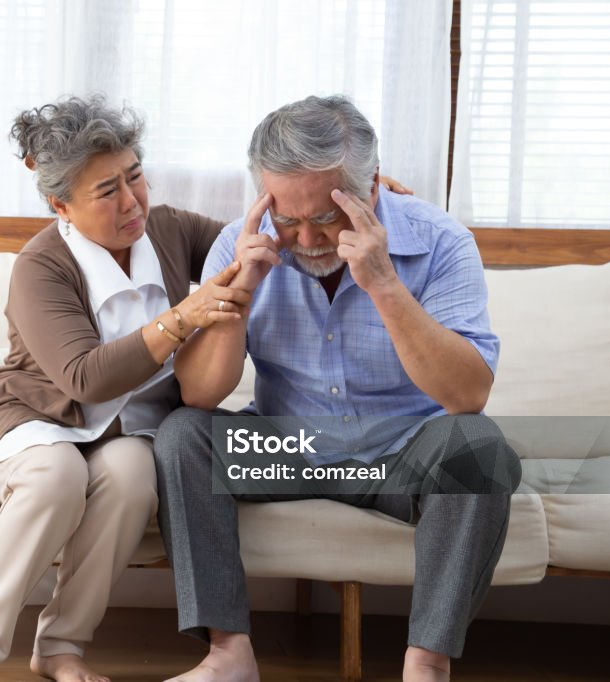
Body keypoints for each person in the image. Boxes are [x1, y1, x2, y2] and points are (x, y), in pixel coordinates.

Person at [154, 95, 522, 682]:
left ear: (370, 188)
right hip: (286, 450)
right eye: (287, 218)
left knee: (479, 447)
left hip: (403, 457)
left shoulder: (442, 242)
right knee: (183, 436)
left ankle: (426, 665)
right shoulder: (239, 245)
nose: (306, 239)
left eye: (326, 217)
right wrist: (241, 291)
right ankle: (229, 656)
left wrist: (385, 286)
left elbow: (467, 396)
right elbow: (199, 394)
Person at [0, 94, 250, 682]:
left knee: (130, 476)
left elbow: (253, 241)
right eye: (107, 192)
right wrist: (187, 316)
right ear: (61, 205)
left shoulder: (171, 230)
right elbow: (85, 376)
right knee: (57, 476)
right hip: (34, 414)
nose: (132, 202)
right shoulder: (41, 265)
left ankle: (60, 647)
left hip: (125, 427)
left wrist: (355, 199)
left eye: (135, 177)